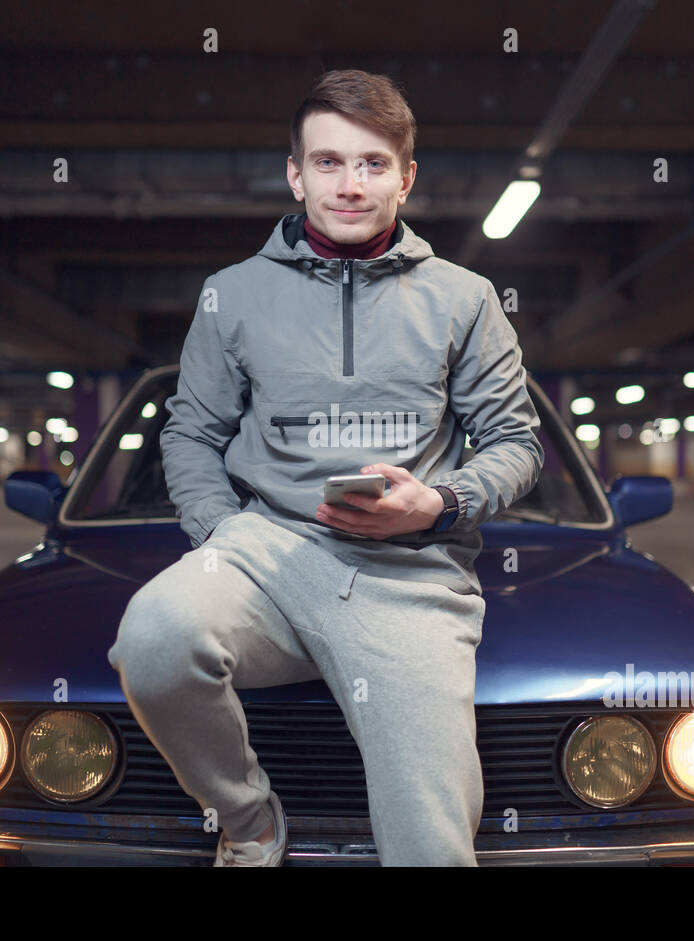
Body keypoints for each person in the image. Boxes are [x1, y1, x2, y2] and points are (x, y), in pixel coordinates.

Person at [108, 68, 543, 866]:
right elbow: (191, 434)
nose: (350, 184)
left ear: (407, 179)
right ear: (296, 175)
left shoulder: (466, 298)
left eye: (373, 164)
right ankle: (249, 822)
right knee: (156, 639)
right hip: (265, 556)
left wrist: (438, 505)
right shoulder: (230, 295)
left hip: (410, 577)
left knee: (433, 850)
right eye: (329, 162)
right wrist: (220, 535)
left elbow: (516, 442)